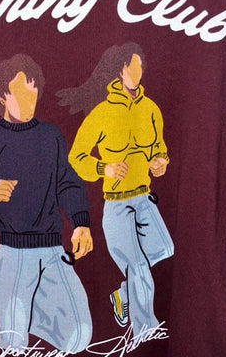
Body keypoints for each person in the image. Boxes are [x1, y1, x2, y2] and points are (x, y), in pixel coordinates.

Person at [0, 54, 93, 353]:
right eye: (21, 93)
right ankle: (20, 313)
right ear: (3, 95)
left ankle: (30, 310)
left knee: (78, 338)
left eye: (33, 92)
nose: (29, 101)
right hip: (12, 256)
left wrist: (81, 223)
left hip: (53, 253)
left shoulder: (50, 136)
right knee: (12, 344)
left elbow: (67, 182)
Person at [58, 42, 174, 336]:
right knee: (138, 266)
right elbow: (76, 157)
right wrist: (103, 168)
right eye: (132, 67)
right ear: (120, 71)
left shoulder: (151, 109)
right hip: (117, 204)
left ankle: (124, 294)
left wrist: (161, 162)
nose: (137, 72)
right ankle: (145, 330)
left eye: (140, 67)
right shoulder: (102, 113)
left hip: (145, 199)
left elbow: (160, 148)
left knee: (165, 249)